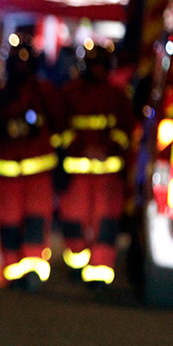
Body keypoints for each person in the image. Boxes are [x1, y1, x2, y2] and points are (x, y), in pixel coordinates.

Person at [0, 40, 64, 289]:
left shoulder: (43, 92)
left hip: (37, 174)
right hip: (12, 174)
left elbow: (59, 124)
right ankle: (14, 271)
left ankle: (30, 272)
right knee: (10, 223)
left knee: (35, 221)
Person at [58, 45, 133, 286]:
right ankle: (76, 265)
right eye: (94, 65)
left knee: (105, 224)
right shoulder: (70, 93)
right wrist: (81, 148)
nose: (98, 70)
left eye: (102, 66)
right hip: (77, 175)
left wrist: (108, 149)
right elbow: (61, 129)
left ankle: (99, 273)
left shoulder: (118, 96)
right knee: (73, 222)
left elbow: (125, 131)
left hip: (107, 177)